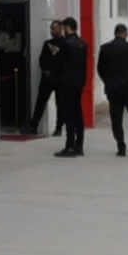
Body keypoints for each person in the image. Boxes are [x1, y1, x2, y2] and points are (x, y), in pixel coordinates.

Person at [98, 23, 128, 157]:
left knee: (116, 119)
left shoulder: (105, 48)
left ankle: (121, 147)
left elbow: (100, 69)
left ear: (115, 33)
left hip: (113, 89)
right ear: (125, 33)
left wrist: (108, 82)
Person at [52, 18, 88, 157]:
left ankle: (69, 146)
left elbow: (59, 64)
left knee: (68, 115)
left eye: (63, 28)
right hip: (78, 83)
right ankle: (79, 145)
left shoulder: (64, 44)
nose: (62, 31)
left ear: (67, 27)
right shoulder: (83, 43)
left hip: (66, 83)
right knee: (78, 113)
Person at [30, 20, 64, 135]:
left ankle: (58, 128)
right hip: (47, 79)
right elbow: (42, 59)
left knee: (60, 105)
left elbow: (65, 62)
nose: (52, 31)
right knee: (40, 102)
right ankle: (33, 126)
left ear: (60, 29)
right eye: (51, 28)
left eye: (54, 28)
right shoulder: (47, 43)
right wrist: (45, 70)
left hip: (60, 79)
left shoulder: (65, 44)